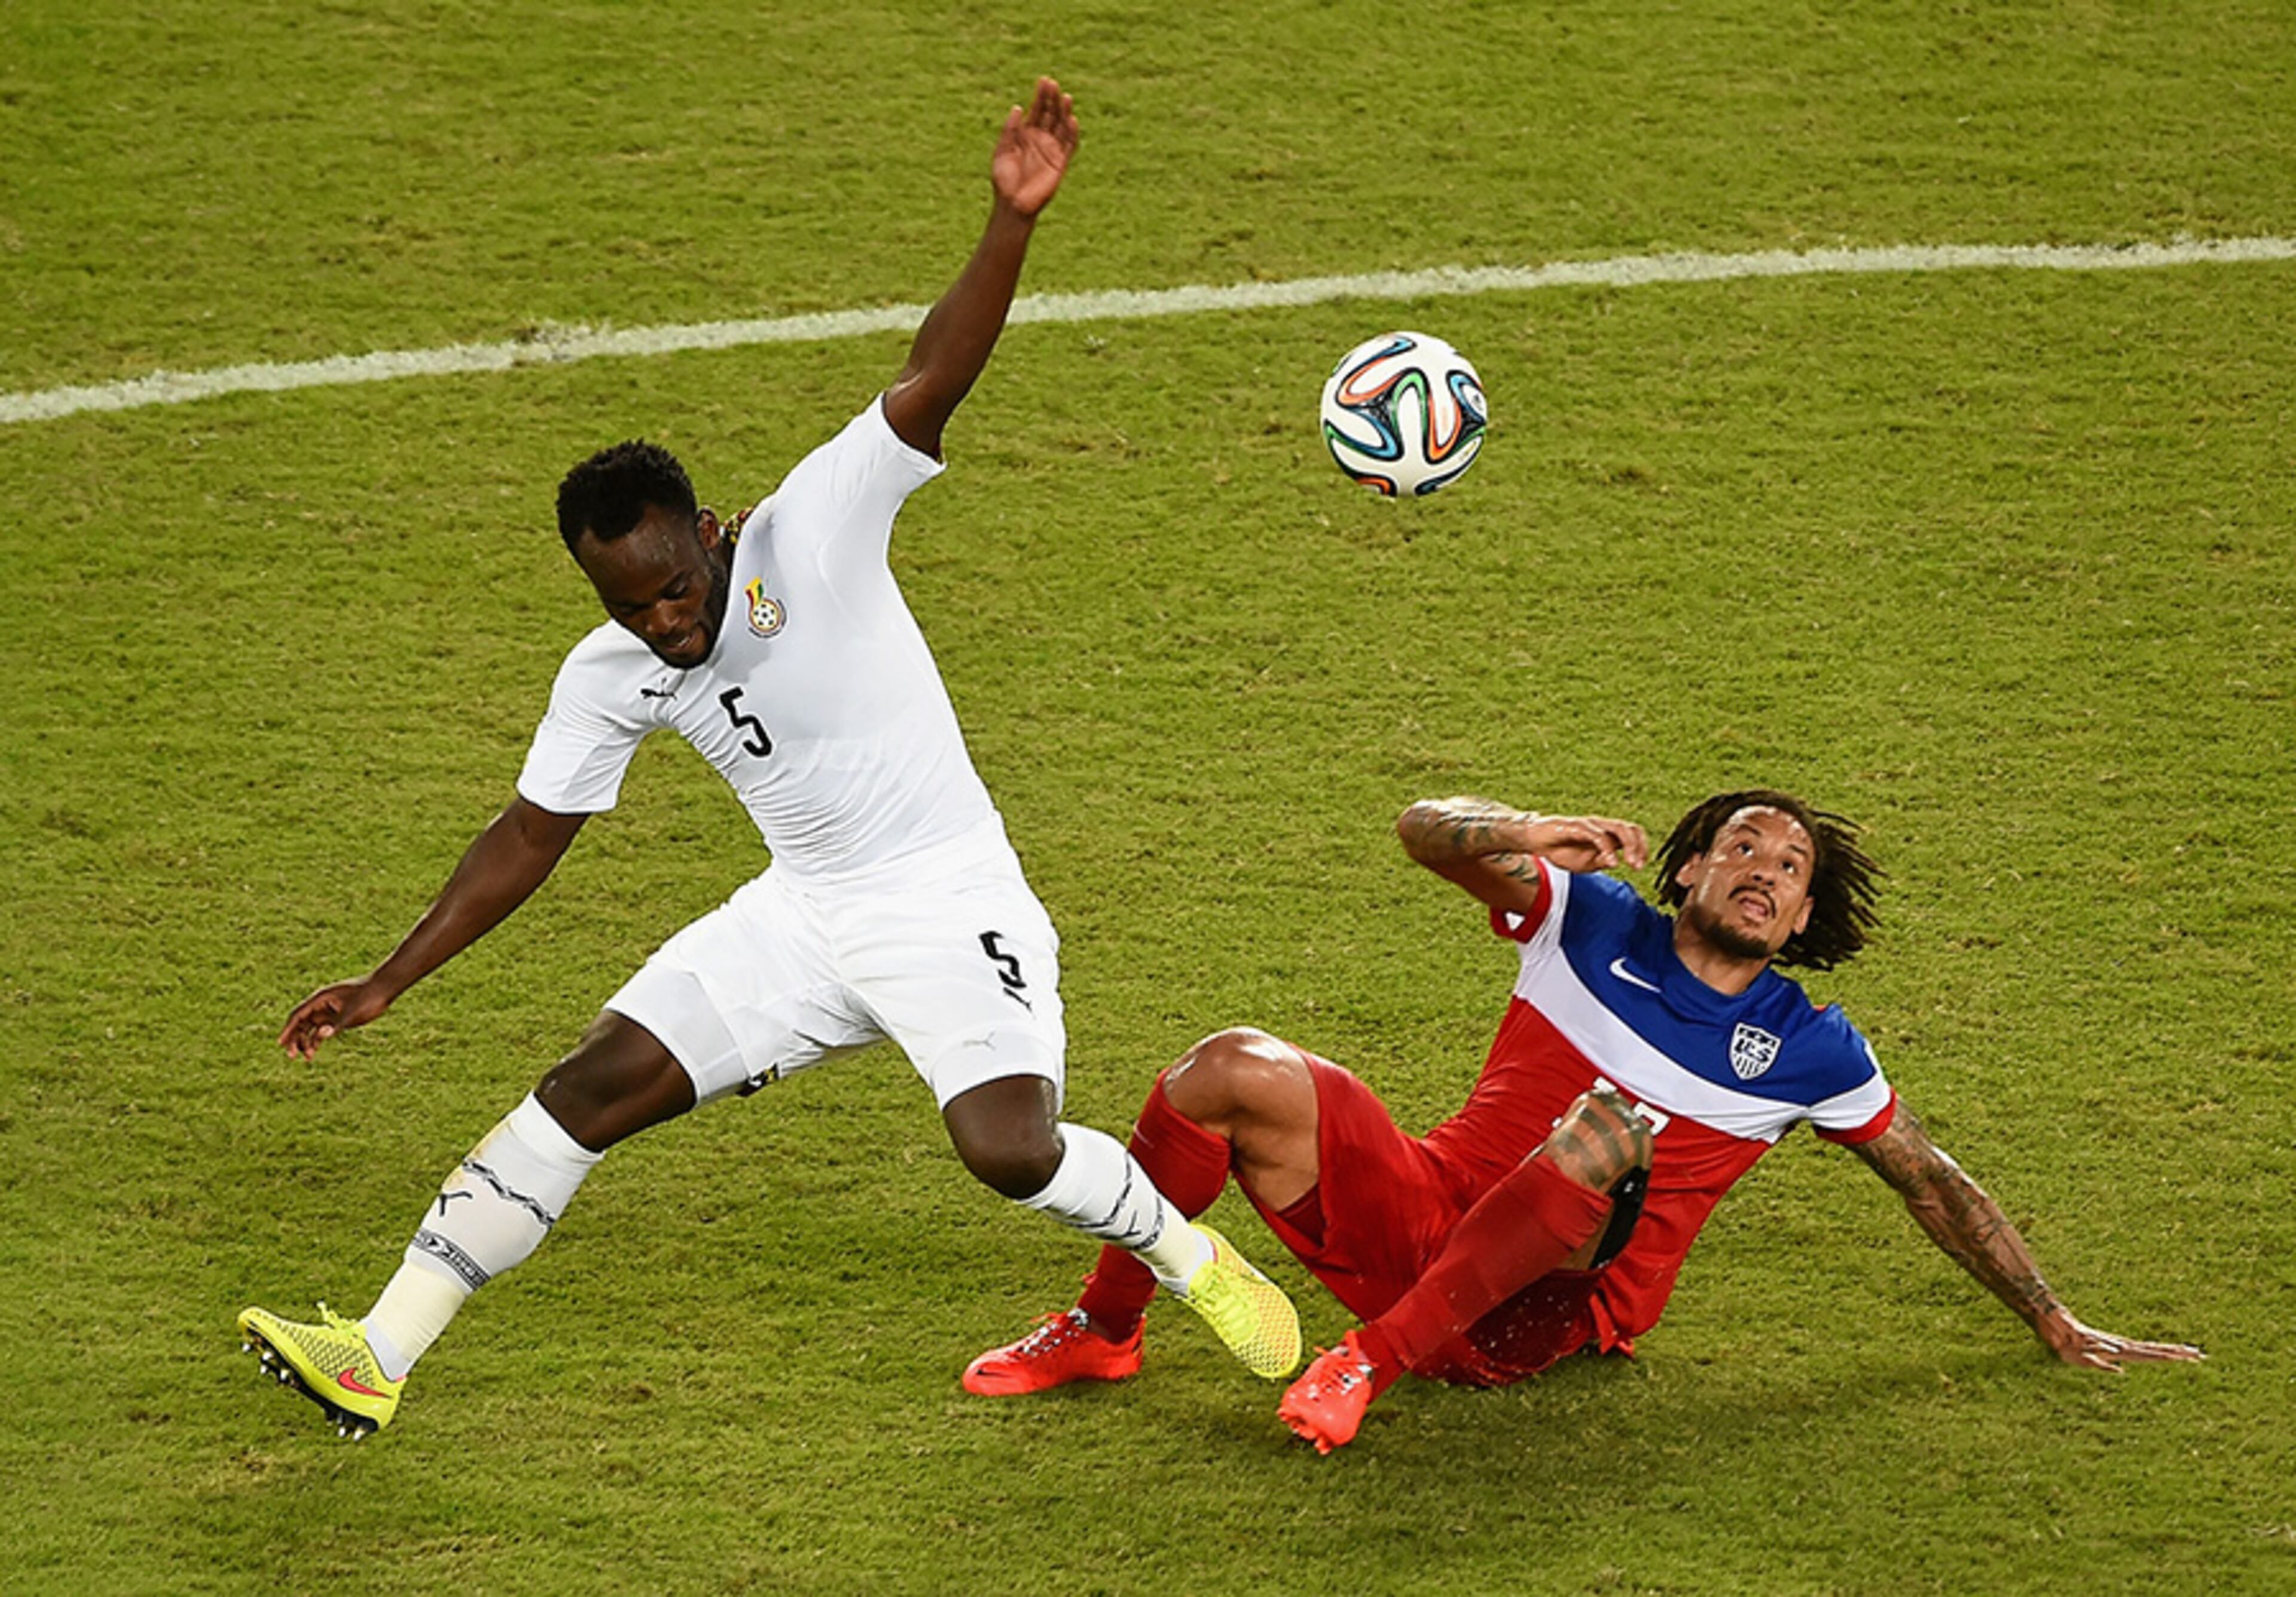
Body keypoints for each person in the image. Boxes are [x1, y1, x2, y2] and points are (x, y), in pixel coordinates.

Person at [236, 78, 1299, 1440]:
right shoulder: (612, 671)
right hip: (801, 919)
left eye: (676, 586)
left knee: (1010, 1151)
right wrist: (389, 978)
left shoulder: (818, 526)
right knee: (581, 1092)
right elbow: (524, 840)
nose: (666, 623)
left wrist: (1010, 220)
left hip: (946, 894)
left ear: (710, 529)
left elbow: (935, 373)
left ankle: (1186, 1256)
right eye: (630, 605)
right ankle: (377, 1352)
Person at [961, 790, 2202, 1452]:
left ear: (1805, 911)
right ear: (1687, 870)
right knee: (1231, 1065)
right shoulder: (1588, 918)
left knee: (1606, 1131)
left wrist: (2053, 1314)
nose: (1768, 869)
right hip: (1430, 1222)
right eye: (1743, 846)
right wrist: (1514, 832)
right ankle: (1105, 1328)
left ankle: (1365, 1363)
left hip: (1535, 1312)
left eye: (1792, 867)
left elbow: (1931, 1180)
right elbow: (1416, 830)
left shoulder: (1809, 1048)